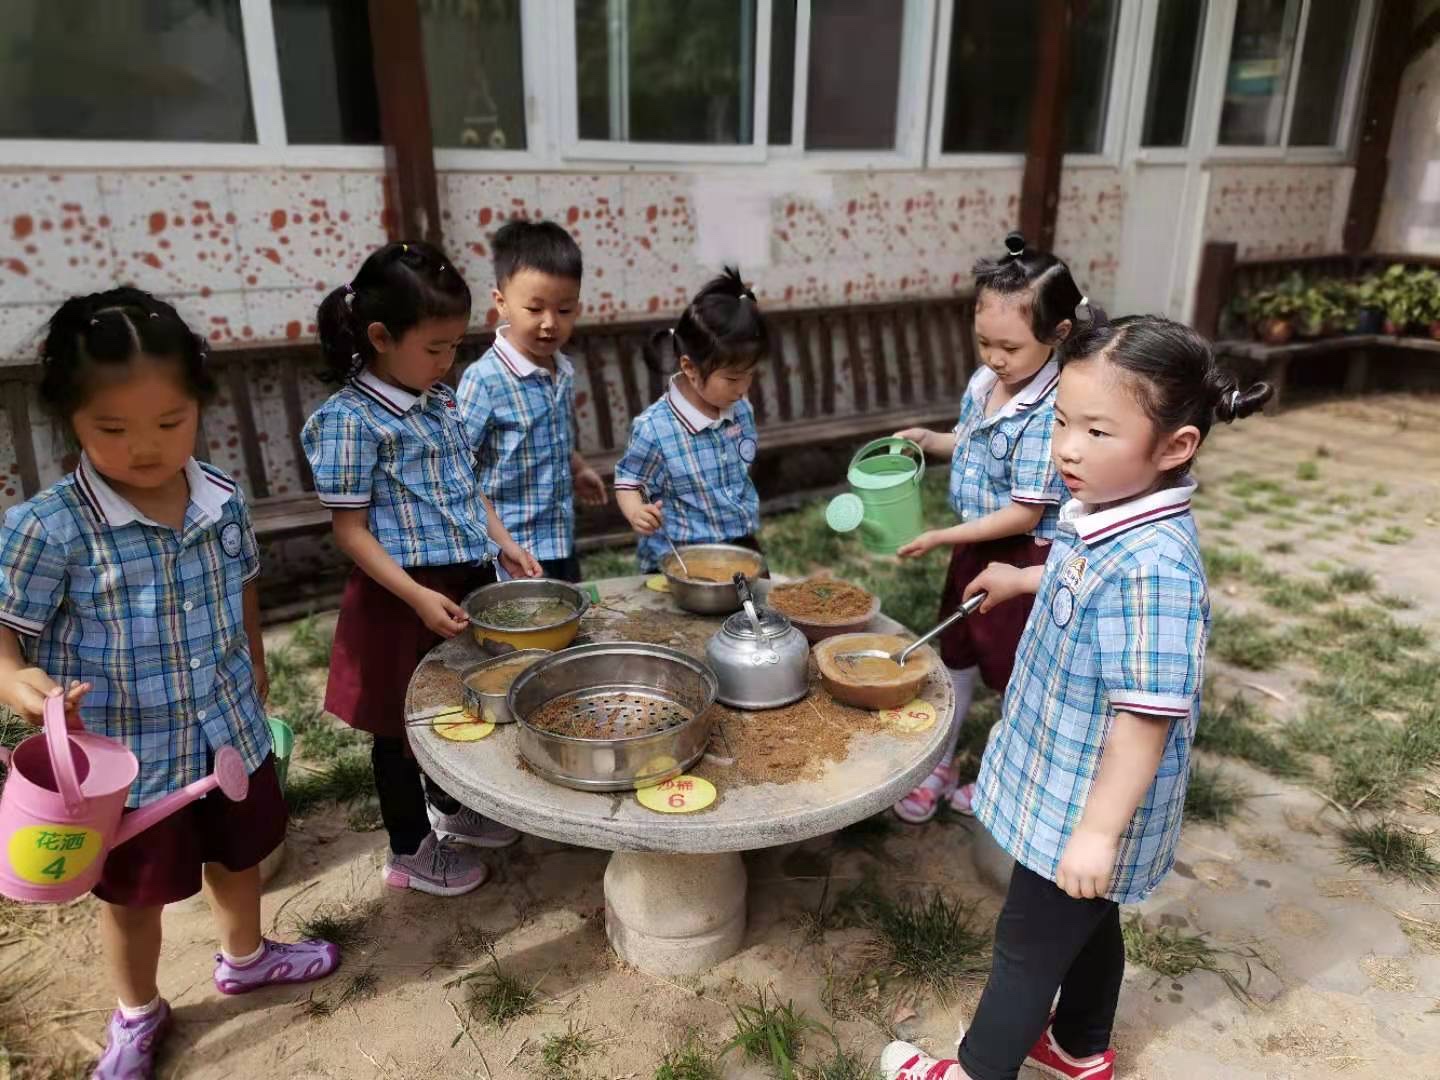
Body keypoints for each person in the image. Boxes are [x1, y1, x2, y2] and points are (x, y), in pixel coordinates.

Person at [881, 317, 1271, 1080]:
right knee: (1089, 922)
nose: (1066, 447)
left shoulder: (1155, 568)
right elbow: (1076, 563)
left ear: (1175, 447)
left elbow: (1144, 717)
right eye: (1061, 420)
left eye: (1096, 430)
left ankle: (976, 1070)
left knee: (1026, 947)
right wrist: (1024, 577)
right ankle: (1080, 1047)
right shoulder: (1107, 508)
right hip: (1064, 770)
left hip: (1088, 801)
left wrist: (1096, 834)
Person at [0, 289, 339, 1079]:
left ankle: (246, 956)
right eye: (113, 429)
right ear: (70, 419)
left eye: (169, 422)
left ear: (199, 406)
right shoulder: (47, 529)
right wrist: (18, 680)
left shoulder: (220, 498)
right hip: (127, 764)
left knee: (240, 854)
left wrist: (255, 660)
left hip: (227, 734)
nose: (146, 448)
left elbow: (243, 582)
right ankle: (137, 1011)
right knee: (133, 897)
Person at [303, 241, 541, 897]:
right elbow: (349, 530)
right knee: (397, 726)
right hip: (399, 596)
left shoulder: (440, 400)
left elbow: (468, 488)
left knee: (451, 702)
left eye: (454, 346)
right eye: (435, 347)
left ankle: (451, 806)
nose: (448, 361)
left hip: (460, 582)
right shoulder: (350, 421)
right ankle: (409, 848)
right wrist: (413, 594)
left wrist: (503, 541)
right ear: (381, 338)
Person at [892, 233, 1084, 824]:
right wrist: (931, 440)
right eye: (984, 342)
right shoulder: (984, 384)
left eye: (1010, 347)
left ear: (1058, 334)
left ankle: (1007, 774)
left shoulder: (1051, 411)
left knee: (1014, 673)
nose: (995, 358)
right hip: (975, 545)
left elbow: (1025, 512)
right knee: (957, 652)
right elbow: (970, 444)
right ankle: (941, 761)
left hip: (1021, 556)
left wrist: (941, 536)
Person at [456, 220, 607, 582]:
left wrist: (578, 468)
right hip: (510, 551)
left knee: (571, 610)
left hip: (558, 537)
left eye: (564, 310)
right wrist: (499, 542)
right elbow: (458, 470)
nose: (550, 323)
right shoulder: (484, 380)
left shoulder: (561, 368)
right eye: (535, 309)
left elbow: (552, 436)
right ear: (502, 304)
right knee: (527, 620)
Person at [614, 268, 767, 571]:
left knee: (752, 602)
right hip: (681, 557)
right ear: (690, 367)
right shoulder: (655, 429)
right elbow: (630, 482)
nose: (743, 388)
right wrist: (637, 512)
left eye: (750, 374)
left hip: (739, 543)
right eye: (733, 378)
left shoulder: (739, 408)